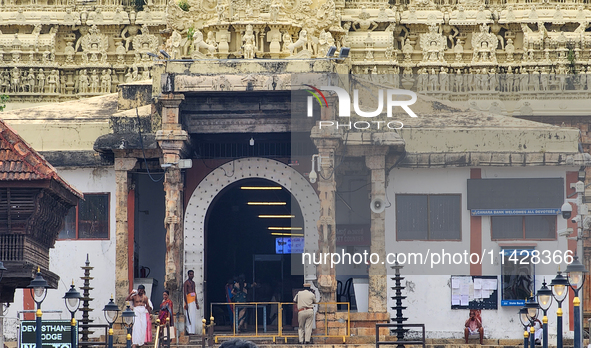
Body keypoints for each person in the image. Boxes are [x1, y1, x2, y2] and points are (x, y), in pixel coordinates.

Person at [183, 270, 199, 335]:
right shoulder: (186, 283)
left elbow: (195, 292)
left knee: (193, 316)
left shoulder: (193, 283)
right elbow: (185, 293)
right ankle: (189, 330)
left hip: (193, 299)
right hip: (188, 299)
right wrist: (186, 303)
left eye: (192, 274)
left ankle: (193, 331)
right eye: (190, 274)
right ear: (188, 275)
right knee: (189, 315)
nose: (191, 275)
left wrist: (197, 302)